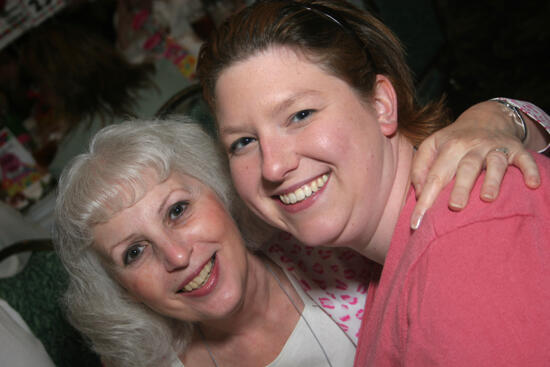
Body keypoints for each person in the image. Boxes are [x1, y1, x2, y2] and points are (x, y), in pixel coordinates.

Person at [195, 0, 550, 365]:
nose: (272, 166)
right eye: (243, 142)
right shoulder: (391, 264)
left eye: (300, 115)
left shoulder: (466, 236)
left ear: (381, 104)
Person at [53, 117, 371, 367]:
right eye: (134, 252)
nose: (176, 255)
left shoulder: (345, 250)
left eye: (177, 210)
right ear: (121, 289)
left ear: (222, 191)